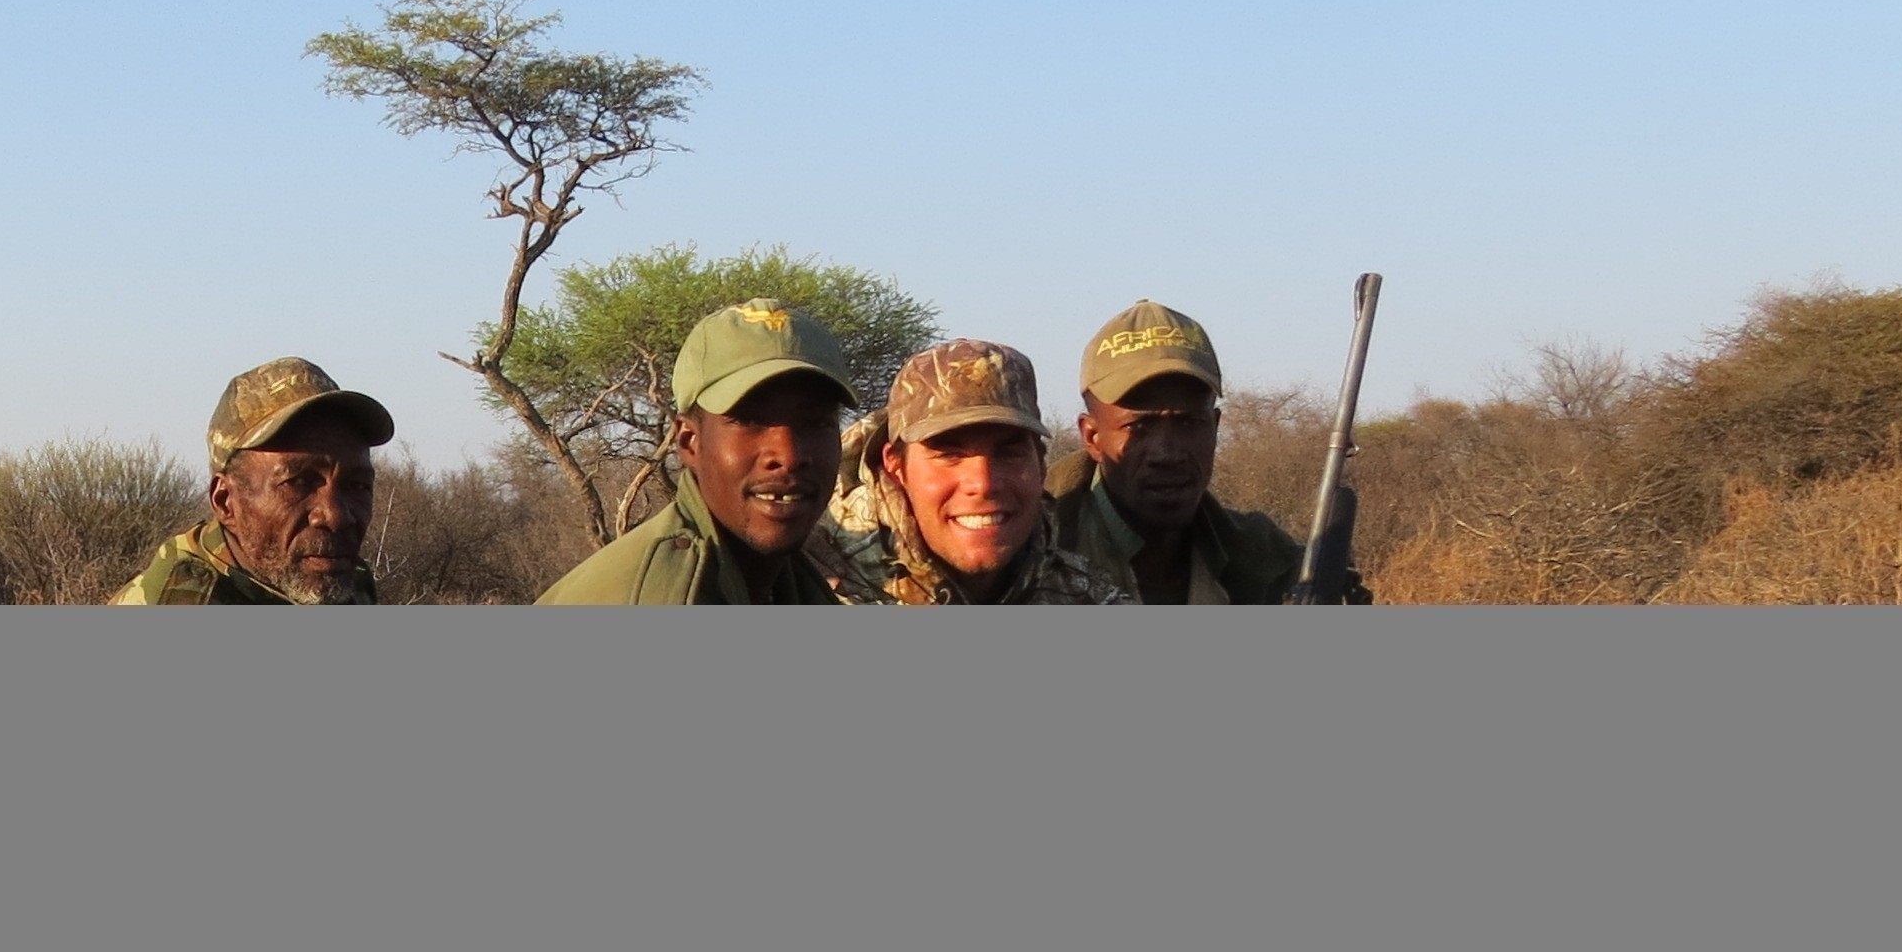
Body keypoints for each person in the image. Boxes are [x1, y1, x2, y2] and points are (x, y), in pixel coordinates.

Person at [1042, 300, 1366, 605]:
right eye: (1139, 427)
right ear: (1092, 437)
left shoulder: (1271, 562)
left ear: (1215, 427)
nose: (1167, 453)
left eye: (1188, 423)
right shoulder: (1028, 554)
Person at [536, 300, 856, 604]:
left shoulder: (782, 578)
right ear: (689, 441)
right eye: (748, 421)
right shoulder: (659, 596)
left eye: (816, 423)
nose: (788, 455)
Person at [820, 340, 1136, 604]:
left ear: (1040, 465)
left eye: (1009, 453)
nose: (983, 483)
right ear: (896, 467)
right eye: (949, 454)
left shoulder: (1089, 598)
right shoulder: (816, 586)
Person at [113, 358, 396, 604]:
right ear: (225, 502)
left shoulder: (337, 579)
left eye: (358, 486)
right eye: (298, 482)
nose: (336, 516)